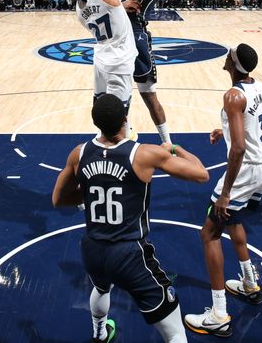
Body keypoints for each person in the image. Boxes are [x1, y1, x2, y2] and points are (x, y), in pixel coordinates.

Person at [52, 94, 208, 343]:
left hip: (93, 249)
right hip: (129, 254)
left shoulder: (78, 154)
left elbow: (58, 199)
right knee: (176, 332)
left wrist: (89, 194)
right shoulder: (144, 154)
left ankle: (100, 334)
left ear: (96, 123)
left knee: (101, 287)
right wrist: (174, 148)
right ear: (125, 120)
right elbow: (201, 174)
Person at [184, 44, 262, 338]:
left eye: (229, 54)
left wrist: (226, 192)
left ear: (232, 64)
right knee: (234, 220)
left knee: (208, 233)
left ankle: (219, 314)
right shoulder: (257, 86)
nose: (225, 56)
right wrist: (225, 130)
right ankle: (249, 284)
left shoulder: (232, 95)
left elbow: (238, 148)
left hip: (246, 169)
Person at [64, 0, 137, 128]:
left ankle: (101, 139)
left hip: (101, 59)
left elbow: (103, 12)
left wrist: (120, 7)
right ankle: (121, 148)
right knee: (119, 114)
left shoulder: (79, 9)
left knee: (100, 105)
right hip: (119, 59)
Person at [118, 0, 171, 143]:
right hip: (117, 37)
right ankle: (125, 134)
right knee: (121, 93)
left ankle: (167, 141)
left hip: (137, 36)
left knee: (148, 95)